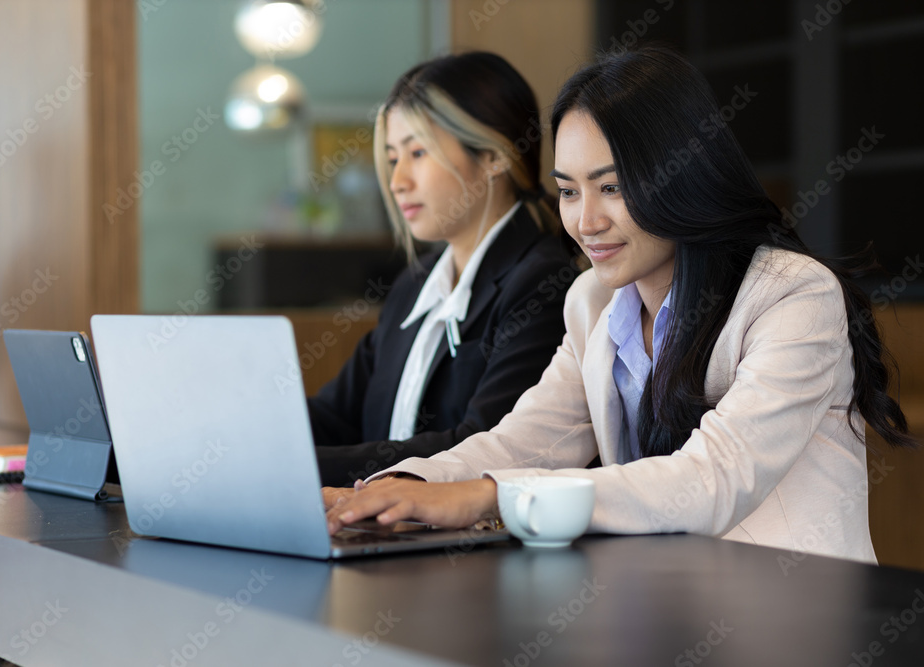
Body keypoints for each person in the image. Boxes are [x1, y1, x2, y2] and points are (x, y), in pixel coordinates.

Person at [323, 45, 915, 563]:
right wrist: (393, 486)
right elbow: (525, 440)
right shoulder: (591, 301)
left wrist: (486, 495)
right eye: (567, 191)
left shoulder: (793, 293)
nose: (585, 221)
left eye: (611, 187)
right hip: (657, 611)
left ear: (681, 176)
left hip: (790, 625)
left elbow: (711, 479)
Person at [310, 52, 580, 487]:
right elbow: (335, 415)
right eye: (393, 157)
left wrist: (298, 467)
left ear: (493, 156)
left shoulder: (544, 283)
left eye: (418, 152)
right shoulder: (414, 285)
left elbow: (481, 446)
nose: (398, 180)